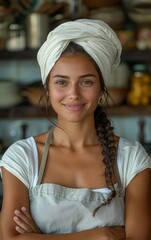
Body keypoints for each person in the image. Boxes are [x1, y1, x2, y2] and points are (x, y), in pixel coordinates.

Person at [0, 19, 151, 240]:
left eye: (86, 82)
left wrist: (38, 238)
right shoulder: (23, 157)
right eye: (61, 82)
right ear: (48, 89)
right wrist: (101, 235)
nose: (73, 94)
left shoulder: (132, 159)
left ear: (101, 88)